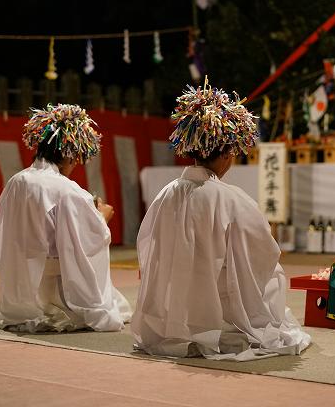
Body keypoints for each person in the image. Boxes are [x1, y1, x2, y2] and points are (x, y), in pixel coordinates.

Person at [132, 81, 311, 361]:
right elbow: (262, 254)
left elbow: (148, 248)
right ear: (228, 152)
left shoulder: (165, 194)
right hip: (220, 309)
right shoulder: (232, 199)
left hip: (173, 308)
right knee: (273, 272)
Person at [0, 104, 131, 332]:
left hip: (24, 268)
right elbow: (82, 240)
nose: (76, 163)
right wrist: (101, 217)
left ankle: (31, 306)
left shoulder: (16, 181)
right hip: (56, 269)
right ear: (67, 154)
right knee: (119, 307)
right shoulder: (66, 189)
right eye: (76, 157)